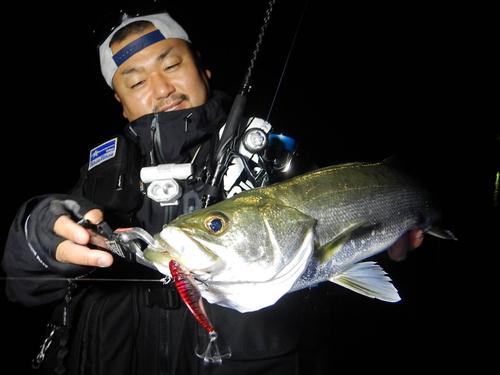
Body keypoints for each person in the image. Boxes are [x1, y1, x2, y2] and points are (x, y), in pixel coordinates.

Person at [1, 10, 424, 375]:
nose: (161, 88)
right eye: (136, 81)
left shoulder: (274, 161)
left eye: (171, 65)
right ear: (121, 103)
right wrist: (39, 231)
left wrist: (396, 237)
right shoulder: (96, 183)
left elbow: (360, 219)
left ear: (202, 69)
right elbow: (19, 286)